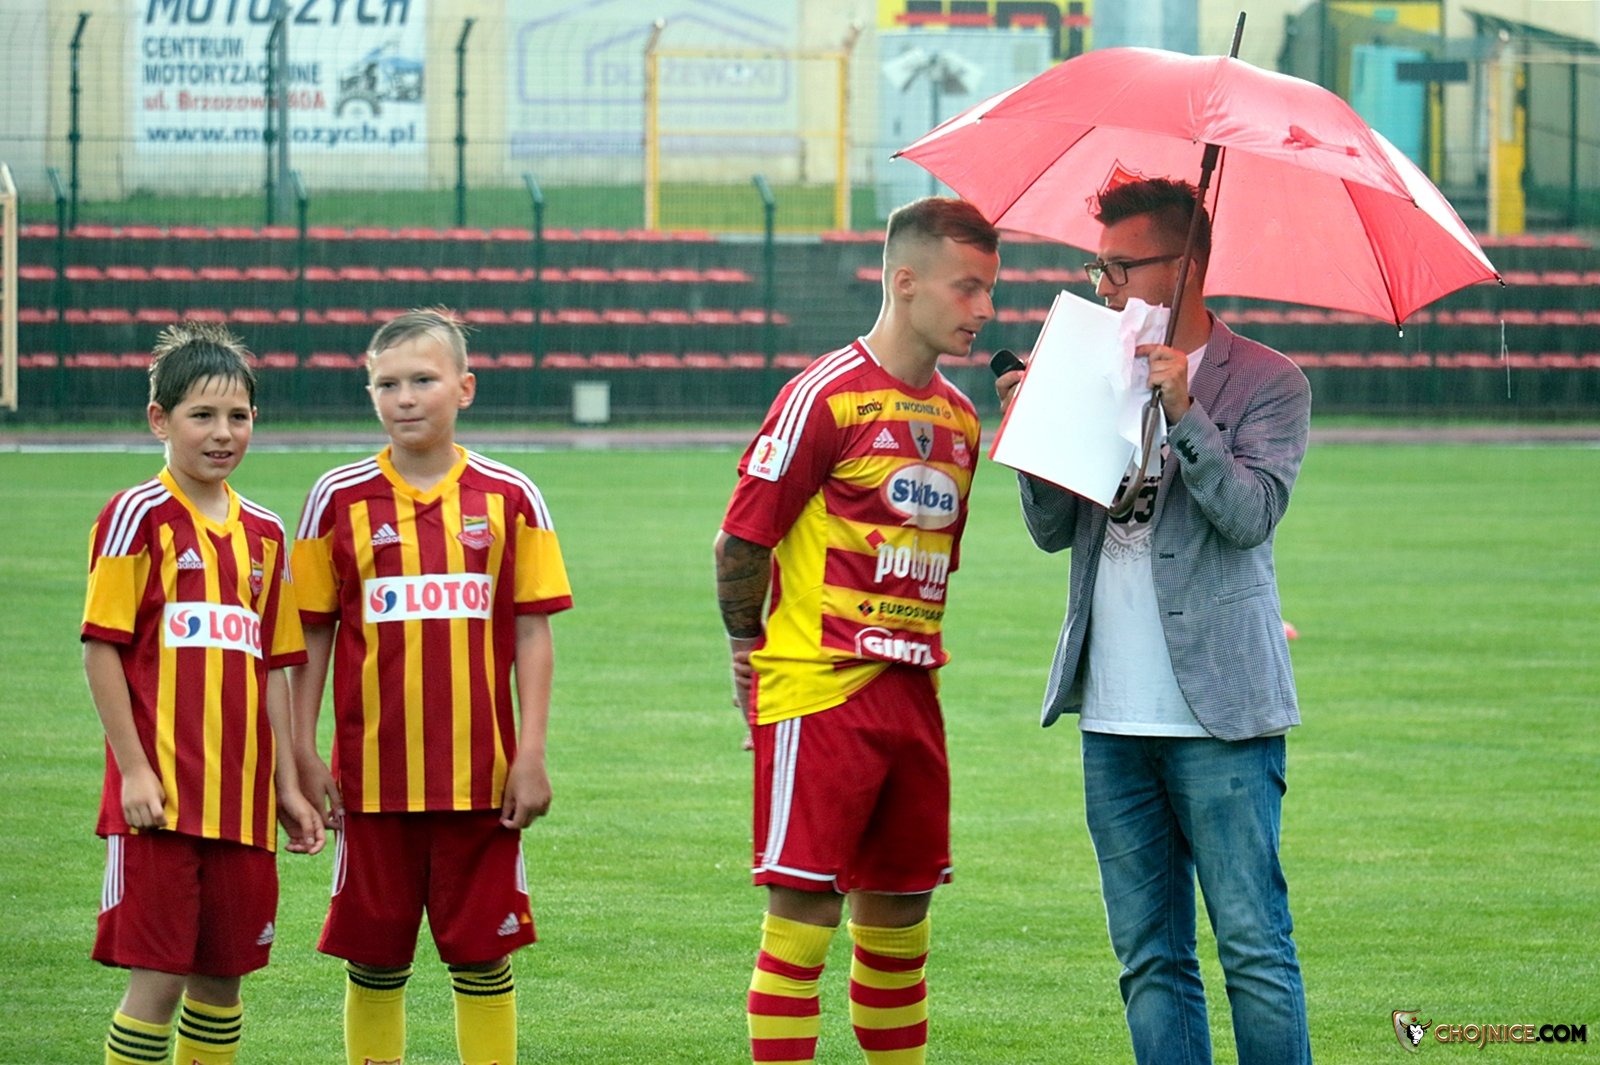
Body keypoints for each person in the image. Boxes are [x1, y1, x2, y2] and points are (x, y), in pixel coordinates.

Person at [995, 177, 1313, 1065]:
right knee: (1149, 962)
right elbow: (1053, 532)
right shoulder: (1089, 363)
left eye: (1121, 267)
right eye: (1098, 267)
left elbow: (1249, 516)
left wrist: (1185, 413)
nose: (1104, 286)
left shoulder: (1270, 383)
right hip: (1112, 716)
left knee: (1254, 950)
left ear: (1185, 269)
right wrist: (1032, 438)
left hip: (1223, 717)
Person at [715, 196, 998, 1065]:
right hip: (821, 688)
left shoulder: (961, 420)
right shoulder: (824, 396)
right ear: (905, 282)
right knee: (803, 918)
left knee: (901, 927)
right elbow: (742, 540)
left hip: (914, 695)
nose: (984, 308)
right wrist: (746, 649)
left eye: (989, 289)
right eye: (967, 287)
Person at [289, 308, 573, 1065]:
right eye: (387, 384)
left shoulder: (511, 495)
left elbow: (533, 632)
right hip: (370, 782)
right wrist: (302, 750)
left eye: (423, 379)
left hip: (482, 780)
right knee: (375, 959)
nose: (405, 397)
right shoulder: (336, 498)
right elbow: (311, 635)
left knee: (483, 957)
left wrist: (532, 752)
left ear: (464, 388)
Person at [83, 321, 325, 1065]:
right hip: (162, 804)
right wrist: (134, 770)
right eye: (202, 415)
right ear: (160, 420)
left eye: (238, 416)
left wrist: (287, 786)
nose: (223, 433)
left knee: (222, 981)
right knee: (158, 979)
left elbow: (274, 665)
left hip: (243, 805)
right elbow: (101, 647)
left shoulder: (267, 533)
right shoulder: (136, 515)